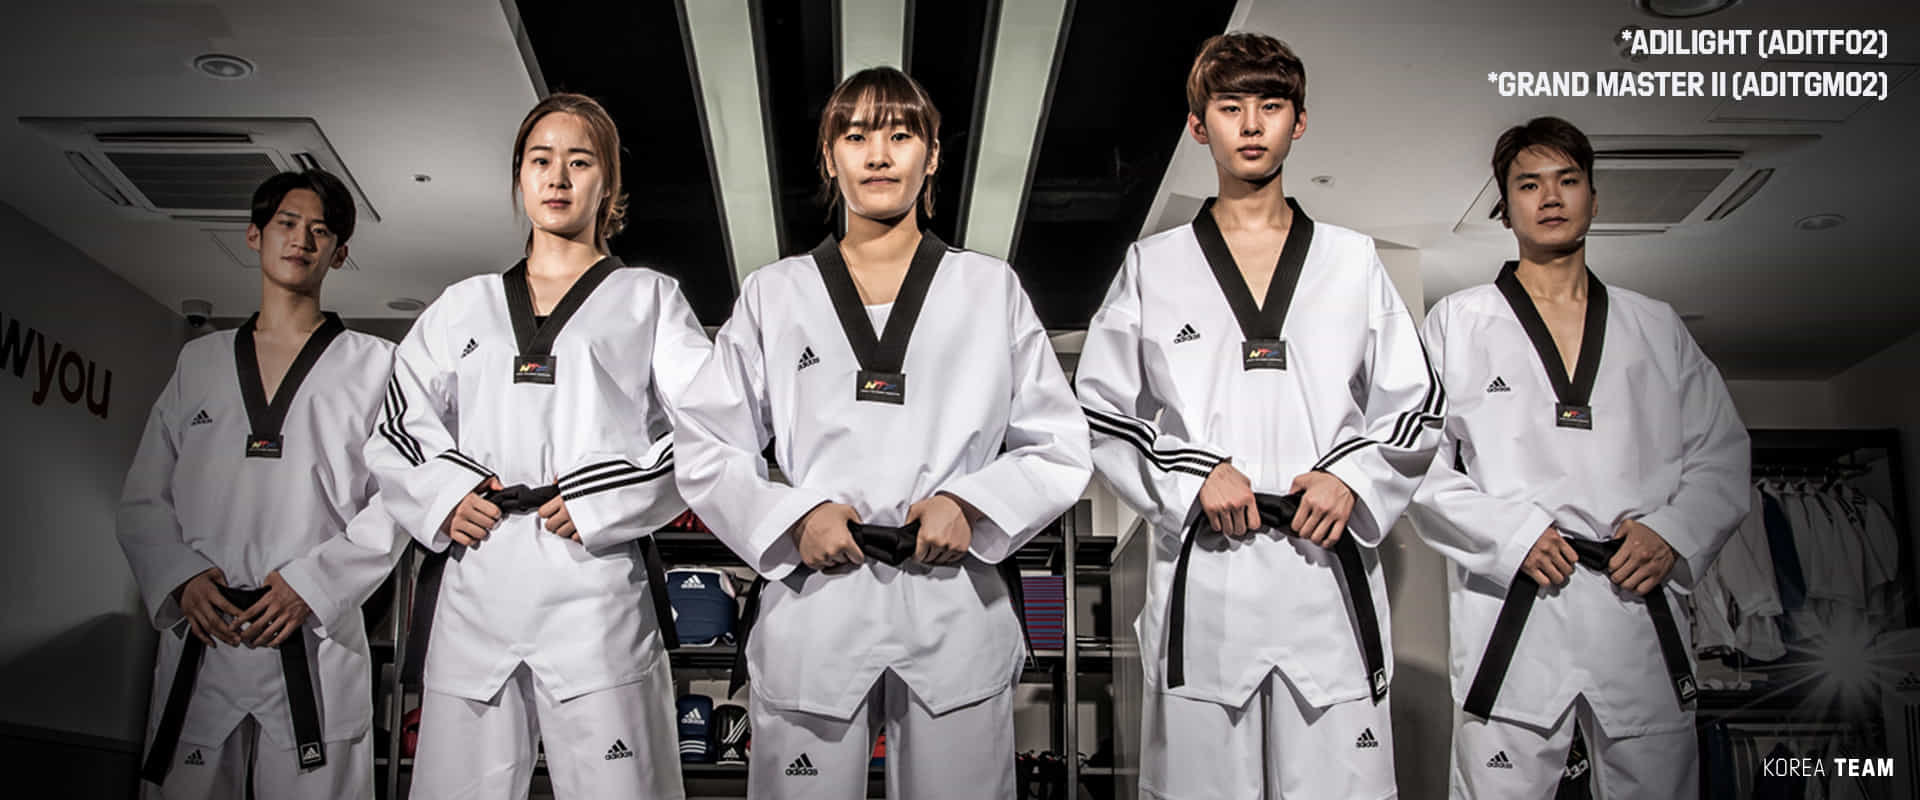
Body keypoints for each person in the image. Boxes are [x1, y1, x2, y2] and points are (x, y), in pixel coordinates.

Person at [671, 66, 1092, 799]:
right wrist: (795, 517)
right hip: (818, 598)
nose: (878, 154)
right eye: (856, 135)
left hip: (951, 597)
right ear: (829, 157)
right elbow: (706, 443)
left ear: (932, 156)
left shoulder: (989, 289)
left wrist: (970, 505)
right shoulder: (776, 294)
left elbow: (1060, 444)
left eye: (900, 135)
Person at [1075, 32, 1442, 799]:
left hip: (1325, 578)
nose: (1250, 124)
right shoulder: (1154, 266)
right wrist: (1194, 475)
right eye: (1230, 106)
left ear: (1298, 122)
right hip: (1211, 583)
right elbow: (1099, 410)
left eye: (1270, 106)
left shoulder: (1351, 260)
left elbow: (1416, 404)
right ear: (1197, 125)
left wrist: (1351, 478)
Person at [366, 93, 711, 798]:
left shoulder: (648, 298)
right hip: (480, 580)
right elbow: (398, 423)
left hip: (593, 585)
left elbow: (710, 425)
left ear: (607, 183)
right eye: (540, 160)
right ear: (520, 176)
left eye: (579, 162)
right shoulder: (463, 305)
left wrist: (603, 497)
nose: (557, 177)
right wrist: (447, 494)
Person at [1409, 116, 1750, 799]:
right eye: (1528, 184)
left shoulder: (1654, 326)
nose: (1550, 197)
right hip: (1516, 611)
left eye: (1567, 181)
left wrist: (1672, 532)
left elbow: (1720, 453)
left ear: (1594, 198)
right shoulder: (1458, 322)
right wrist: (1512, 535)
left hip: (1635, 607)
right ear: (1505, 208)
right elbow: (1415, 462)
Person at [119, 169, 406, 799]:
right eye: (286, 224)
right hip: (207, 631)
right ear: (255, 235)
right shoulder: (200, 361)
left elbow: (398, 499)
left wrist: (314, 585)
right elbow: (144, 498)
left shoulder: (375, 364)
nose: (301, 240)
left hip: (312, 638)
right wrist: (181, 579)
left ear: (340, 253)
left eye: (320, 231)